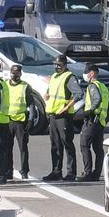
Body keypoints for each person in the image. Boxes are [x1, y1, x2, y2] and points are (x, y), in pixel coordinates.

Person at [76, 62, 109, 183]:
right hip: (100, 122)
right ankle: (96, 173)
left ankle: (87, 173)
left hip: (92, 120)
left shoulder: (92, 86)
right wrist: (105, 117)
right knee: (98, 148)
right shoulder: (103, 86)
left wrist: (89, 112)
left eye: (86, 72)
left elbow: (97, 99)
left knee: (84, 144)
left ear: (92, 73)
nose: (85, 75)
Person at [44, 53, 78, 181]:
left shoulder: (69, 77)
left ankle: (71, 173)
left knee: (67, 143)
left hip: (64, 116)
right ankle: (56, 171)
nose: (57, 67)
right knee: (55, 145)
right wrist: (46, 94)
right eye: (55, 65)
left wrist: (67, 107)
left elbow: (78, 94)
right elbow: (50, 91)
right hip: (53, 115)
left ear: (65, 65)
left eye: (59, 65)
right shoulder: (54, 76)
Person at [0, 63, 30, 183]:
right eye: (13, 73)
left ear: (21, 73)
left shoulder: (25, 86)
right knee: (7, 148)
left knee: (23, 147)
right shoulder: (5, 85)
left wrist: (29, 121)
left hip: (20, 121)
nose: (15, 76)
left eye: (17, 73)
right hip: (8, 120)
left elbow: (31, 105)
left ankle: (24, 171)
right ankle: (8, 170)